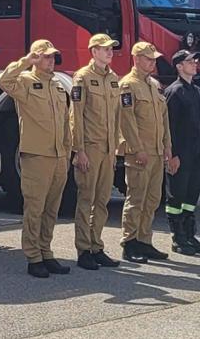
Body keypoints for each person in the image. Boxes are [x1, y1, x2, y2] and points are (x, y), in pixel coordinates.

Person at [0, 40, 75, 278]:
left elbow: (65, 122)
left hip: (59, 156)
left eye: (52, 57)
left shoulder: (58, 85)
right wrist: (26, 61)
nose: (50, 61)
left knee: (52, 209)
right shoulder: (26, 82)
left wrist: (68, 151)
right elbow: (3, 80)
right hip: (36, 155)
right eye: (46, 57)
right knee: (35, 208)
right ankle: (33, 256)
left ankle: (46, 251)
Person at [69, 34, 125, 270]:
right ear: (93, 51)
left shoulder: (113, 78)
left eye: (111, 48)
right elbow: (76, 116)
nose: (109, 52)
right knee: (86, 199)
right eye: (104, 49)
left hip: (106, 150)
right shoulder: (82, 77)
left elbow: (116, 117)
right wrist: (78, 150)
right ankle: (83, 249)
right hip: (89, 148)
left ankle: (97, 246)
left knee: (102, 201)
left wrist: (115, 150)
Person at [117, 42, 172, 262]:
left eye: (153, 59)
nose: (152, 62)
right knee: (136, 198)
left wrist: (167, 145)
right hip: (140, 152)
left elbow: (164, 119)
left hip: (157, 151)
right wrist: (137, 149)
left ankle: (144, 240)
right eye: (148, 59)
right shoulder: (127, 85)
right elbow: (127, 121)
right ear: (136, 59)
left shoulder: (154, 85)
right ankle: (129, 243)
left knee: (152, 199)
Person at [161, 50, 200, 255]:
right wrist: (171, 155)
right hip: (180, 154)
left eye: (194, 61)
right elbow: (169, 126)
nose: (194, 64)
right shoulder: (174, 91)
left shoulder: (197, 91)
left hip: (197, 153)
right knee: (177, 196)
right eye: (190, 62)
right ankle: (178, 237)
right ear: (179, 66)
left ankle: (190, 234)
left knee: (191, 196)